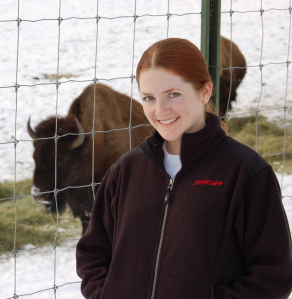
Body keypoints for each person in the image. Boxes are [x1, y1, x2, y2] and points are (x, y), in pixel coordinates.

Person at [76, 38, 292, 298]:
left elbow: (273, 273)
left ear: (205, 91)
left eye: (173, 94)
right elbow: (93, 255)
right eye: (149, 98)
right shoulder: (125, 171)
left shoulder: (246, 172)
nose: (160, 110)